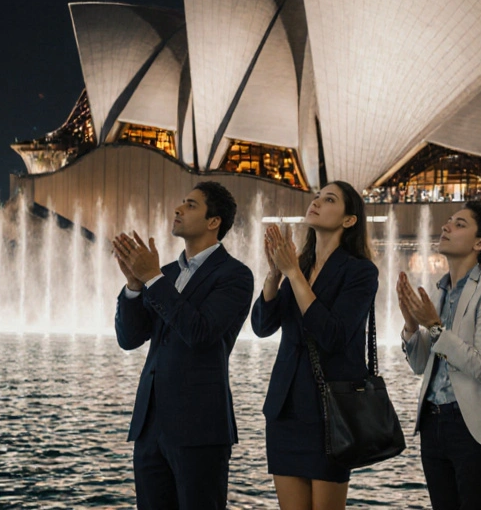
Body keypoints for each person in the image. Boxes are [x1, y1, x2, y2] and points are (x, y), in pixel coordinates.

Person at [113, 181, 255, 510]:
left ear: (213, 221)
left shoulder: (235, 275)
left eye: (190, 205)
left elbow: (200, 332)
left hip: (200, 427)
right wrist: (134, 287)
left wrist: (152, 279)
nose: (178, 209)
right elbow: (129, 338)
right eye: (180, 202)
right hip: (150, 426)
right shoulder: (164, 274)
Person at [251, 181, 379, 510]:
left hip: (330, 412)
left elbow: (333, 335)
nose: (317, 202)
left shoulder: (361, 272)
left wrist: (293, 274)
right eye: (317, 197)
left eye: (329, 199)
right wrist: (274, 276)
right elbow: (262, 326)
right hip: (284, 409)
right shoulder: (301, 265)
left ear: (349, 220)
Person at [398, 201, 481, 510]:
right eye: (448, 221)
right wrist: (412, 325)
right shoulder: (441, 290)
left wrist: (435, 327)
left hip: (471, 426)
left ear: (480, 243)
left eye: (459, 224)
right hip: (432, 422)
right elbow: (420, 366)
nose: (446, 227)